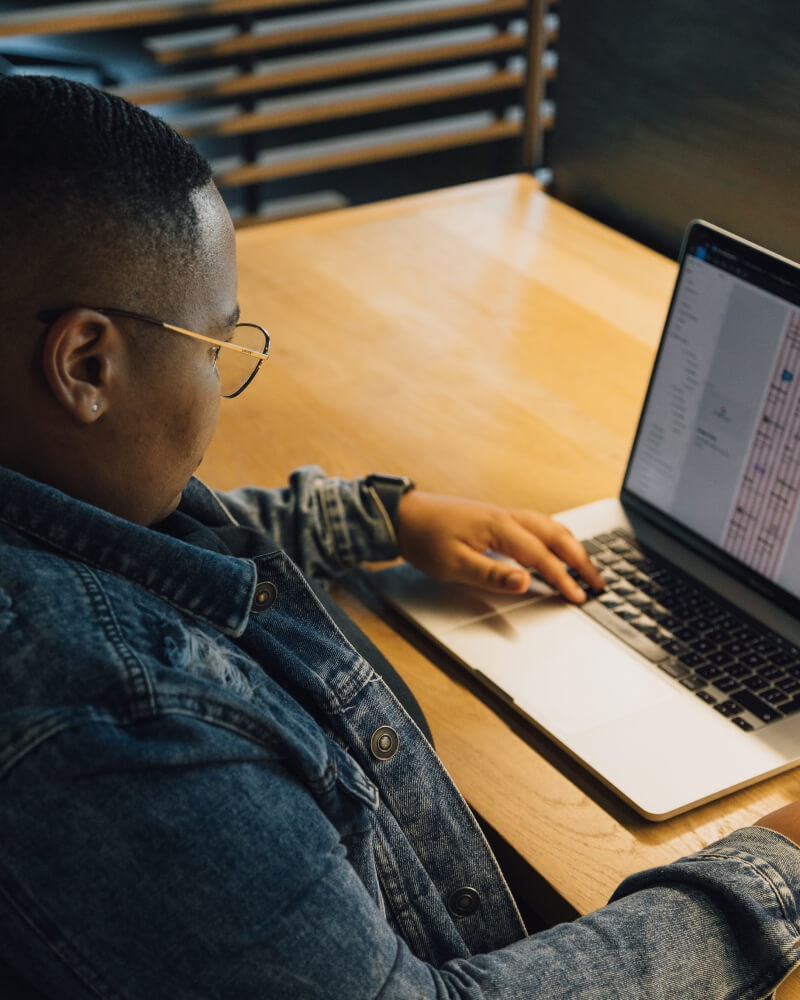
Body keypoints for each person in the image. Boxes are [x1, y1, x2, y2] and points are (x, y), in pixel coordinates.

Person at [1, 73, 799, 1000]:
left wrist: (384, 516)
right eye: (216, 346)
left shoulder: (54, 495)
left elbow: (131, 543)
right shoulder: (121, 729)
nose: (223, 381)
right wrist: (775, 867)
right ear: (86, 364)